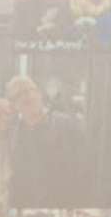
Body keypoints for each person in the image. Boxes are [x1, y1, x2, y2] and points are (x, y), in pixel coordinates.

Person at [6, 74, 91, 202]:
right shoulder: (12, 133)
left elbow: (83, 171)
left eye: (29, 90)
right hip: (26, 211)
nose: (26, 97)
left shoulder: (67, 125)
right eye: (18, 95)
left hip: (63, 206)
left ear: (39, 93)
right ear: (14, 105)